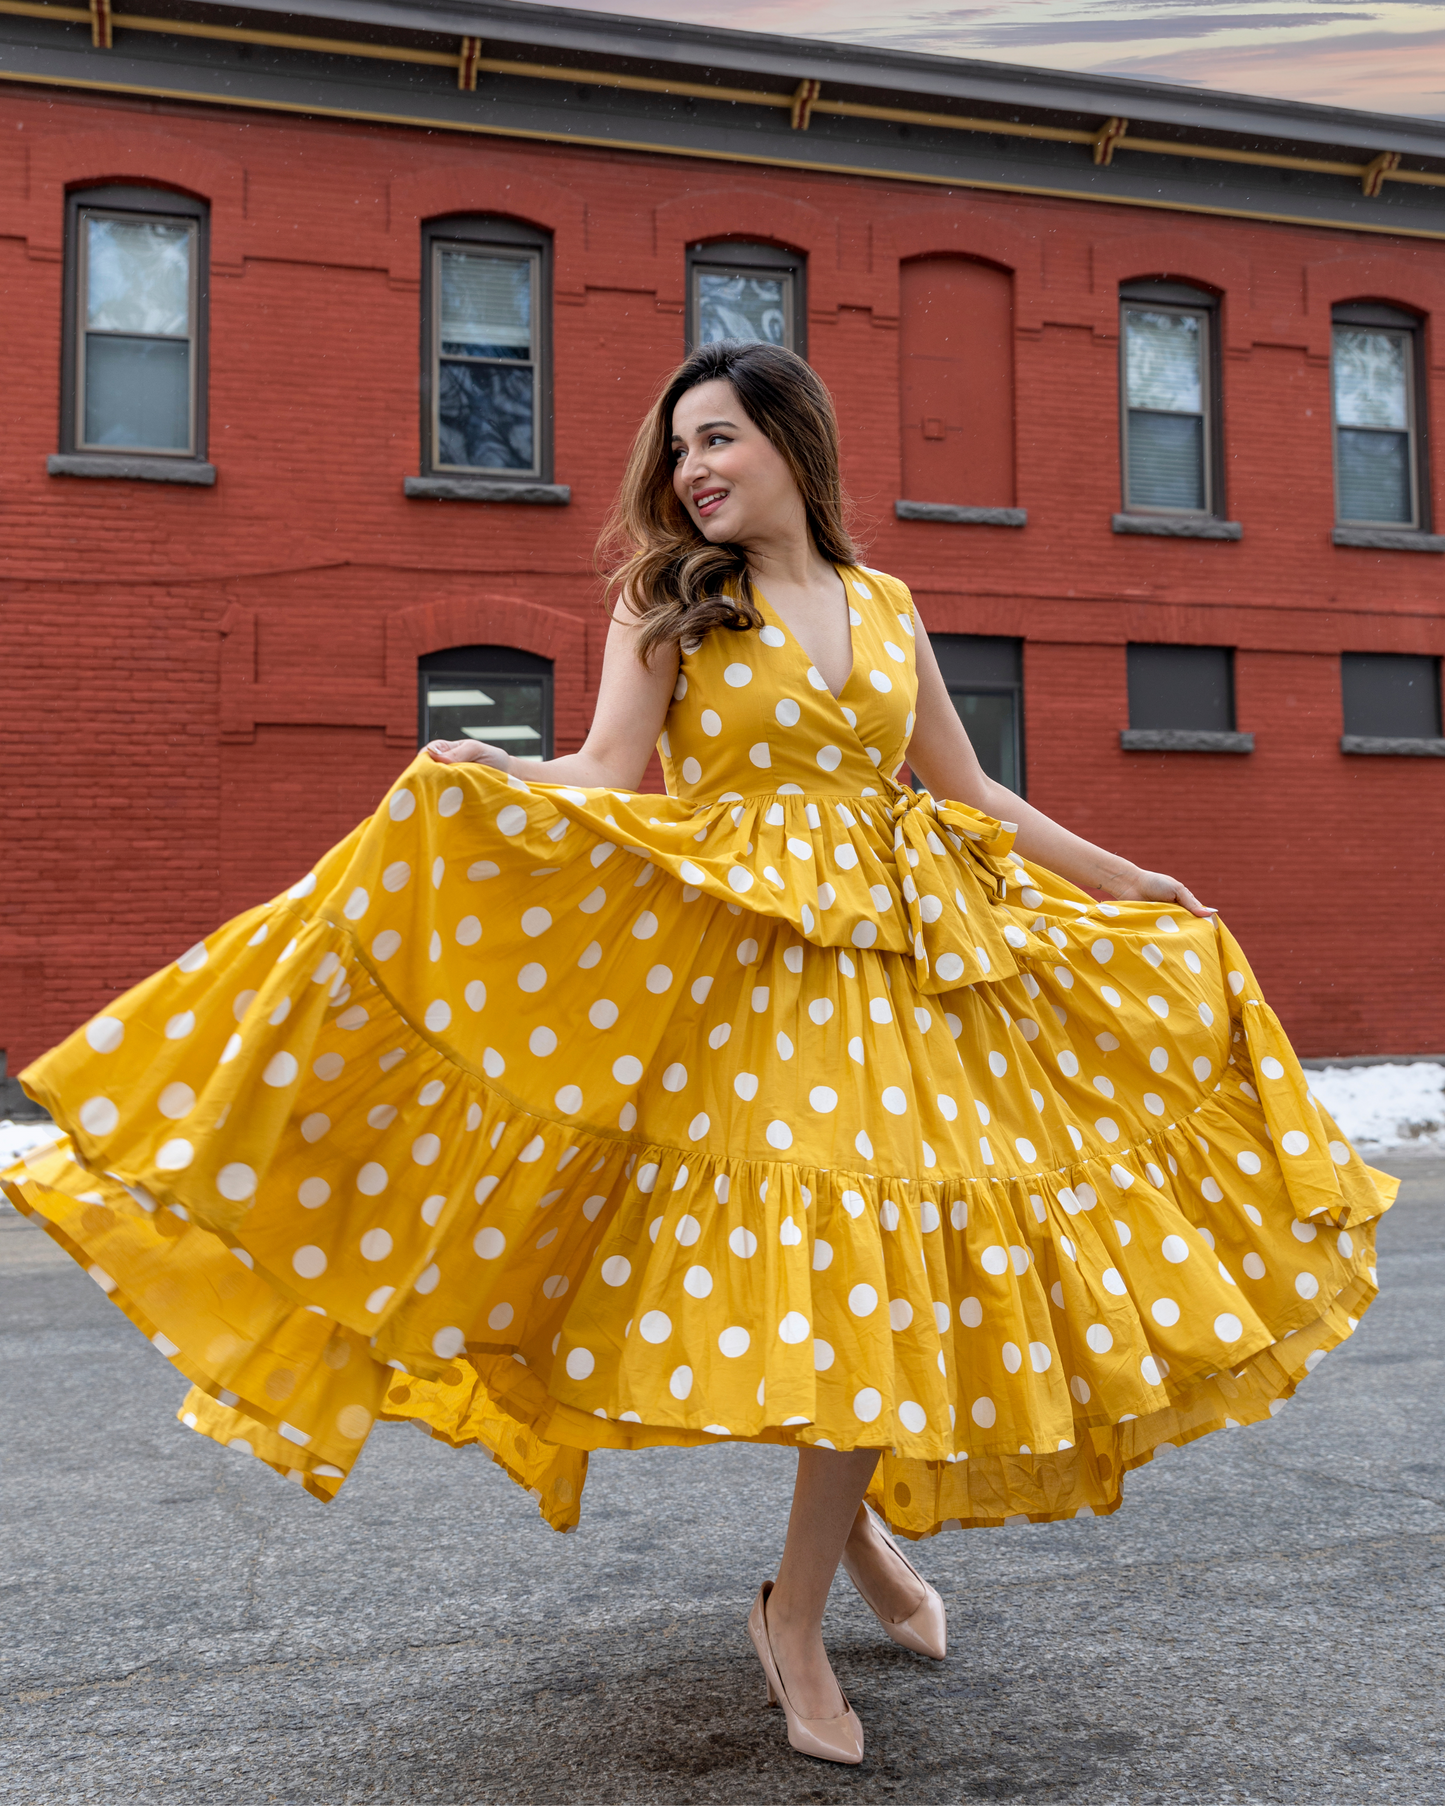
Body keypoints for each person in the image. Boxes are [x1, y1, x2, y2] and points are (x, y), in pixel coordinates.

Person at [3, 340, 1394, 1769]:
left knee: (872, 1272)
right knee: (844, 1269)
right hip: (750, 989)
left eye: (719, 439)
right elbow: (608, 771)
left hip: (902, 976)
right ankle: (799, 1609)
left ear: (795, 441)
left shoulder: (886, 601)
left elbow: (966, 789)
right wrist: (499, 775)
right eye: (680, 451)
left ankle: (823, 1561)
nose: (694, 471)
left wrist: (1122, 874)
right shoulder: (673, 603)